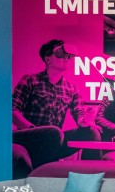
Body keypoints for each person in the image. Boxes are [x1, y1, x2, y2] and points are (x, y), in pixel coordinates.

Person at [11, 39, 102, 167]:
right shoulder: (30, 80)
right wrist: (34, 129)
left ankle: (91, 174)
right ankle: (45, 170)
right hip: (29, 136)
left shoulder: (71, 88)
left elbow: (80, 115)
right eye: (61, 54)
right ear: (48, 59)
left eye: (68, 56)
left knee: (92, 132)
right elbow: (12, 110)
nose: (66, 58)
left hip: (54, 140)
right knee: (53, 132)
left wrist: (86, 121)